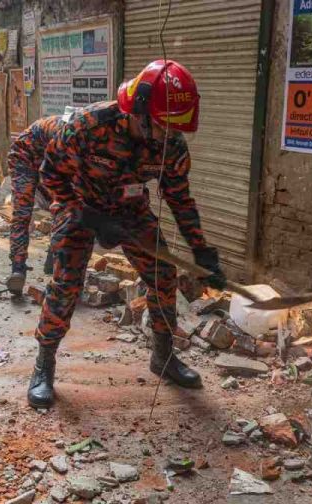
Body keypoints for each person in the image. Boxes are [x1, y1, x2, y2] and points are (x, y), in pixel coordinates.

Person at [26, 60, 228, 409]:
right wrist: (87, 215)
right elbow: (50, 176)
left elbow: (179, 197)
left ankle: (163, 358)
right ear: (138, 111)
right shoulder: (89, 125)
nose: (170, 137)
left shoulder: (172, 144)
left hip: (130, 210)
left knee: (163, 274)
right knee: (67, 281)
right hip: (79, 204)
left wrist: (201, 249)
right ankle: (44, 364)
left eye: (175, 130)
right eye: (163, 127)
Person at [5, 114, 64, 295]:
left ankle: (55, 263)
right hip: (24, 157)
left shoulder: (89, 143)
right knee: (22, 213)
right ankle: (18, 268)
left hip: (50, 161)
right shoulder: (69, 136)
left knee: (63, 208)